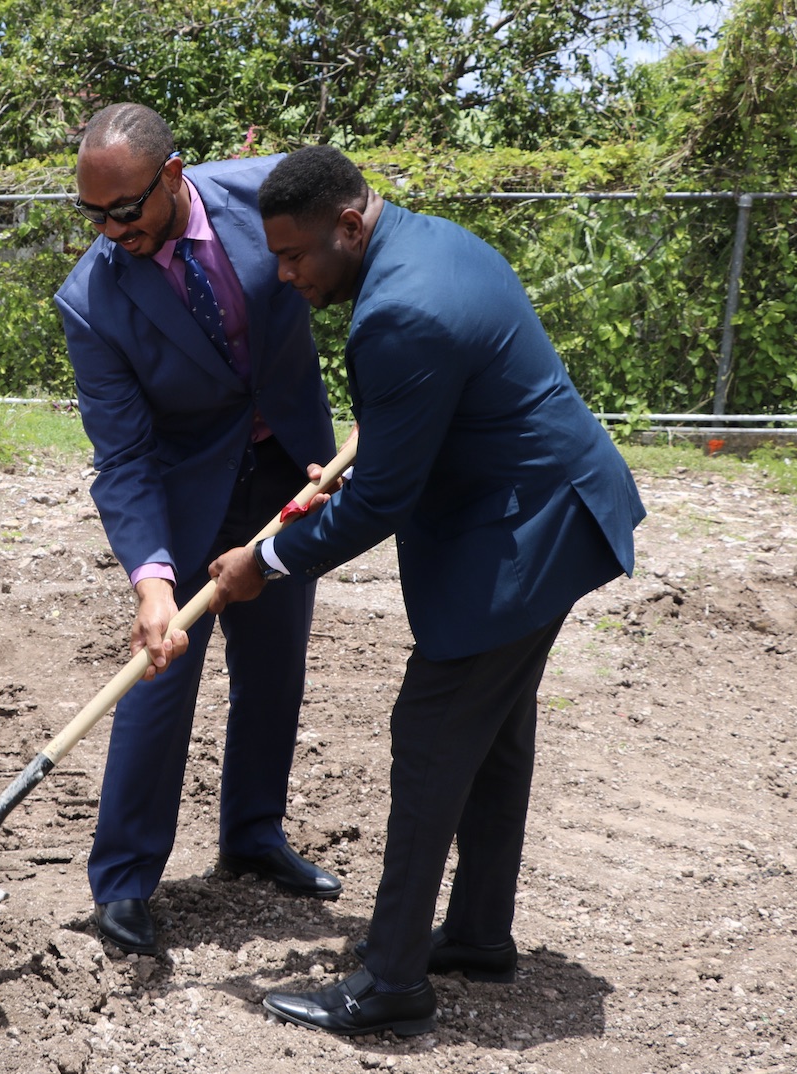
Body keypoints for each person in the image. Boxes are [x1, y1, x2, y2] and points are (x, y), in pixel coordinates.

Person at [202, 145, 646, 1035]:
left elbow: (382, 505)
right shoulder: (433, 242)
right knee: (493, 735)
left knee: (434, 736)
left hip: (526, 534)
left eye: (295, 256)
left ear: (350, 225)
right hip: (554, 510)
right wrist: (381, 444)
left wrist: (268, 563)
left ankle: (391, 982)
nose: (283, 275)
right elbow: (431, 409)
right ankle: (479, 934)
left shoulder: (398, 312)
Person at [52, 104, 342, 956]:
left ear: (174, 176)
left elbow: (358, 232)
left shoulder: (269, 196)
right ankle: (125, 880)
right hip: (186, 486)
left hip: (292, 467)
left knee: (275, 662)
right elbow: (123, 455)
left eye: (125, 210)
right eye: (92, 215)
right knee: (159, 674)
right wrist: (152, 579)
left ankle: (252, 839)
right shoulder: (92, 302)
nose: (110, 231)